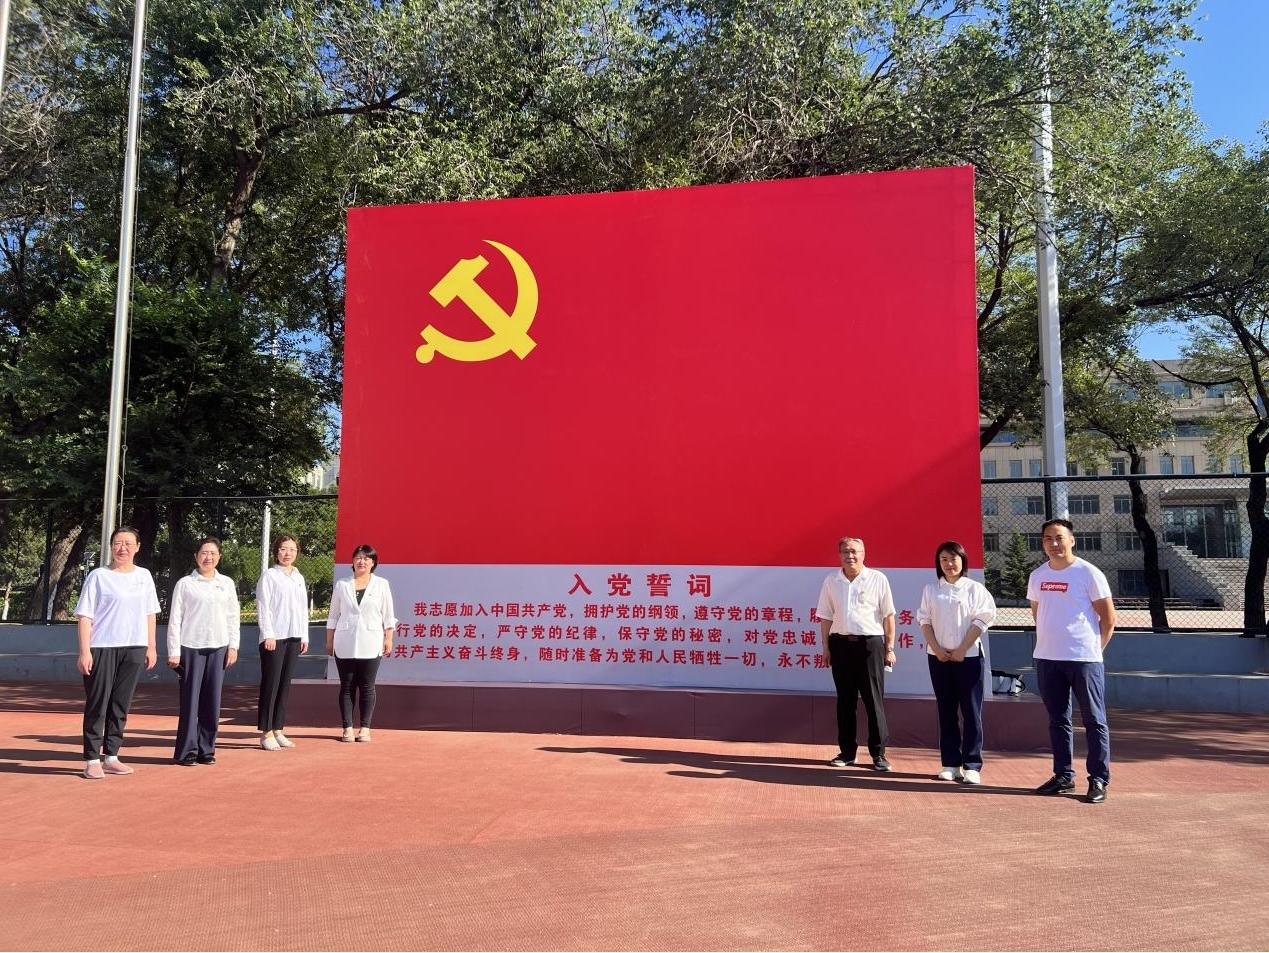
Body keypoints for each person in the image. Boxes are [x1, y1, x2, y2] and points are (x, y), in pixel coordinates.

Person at [1027, 518, 1117, 804]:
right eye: (1048, 538)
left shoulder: (1088, 573)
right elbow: (1038, 613)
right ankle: (1063, 775)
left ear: (1072, 540)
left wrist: (1094, 650)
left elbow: (1109, 618)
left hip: (1084, 659)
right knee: (1057, 720)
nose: (1054, 543)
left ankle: (1098, 779)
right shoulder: (1038, 575)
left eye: (1059, 538)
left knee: (1094, 720)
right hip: (1048, 658)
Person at [74, 526, 159, 780]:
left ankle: (111, 756)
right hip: (102, 647)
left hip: (134, 647)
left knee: (121, 704)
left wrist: (151, 646)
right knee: (98, 703)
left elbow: (150, 613)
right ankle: (91, 759)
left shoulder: (144, 576)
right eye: (118, 543)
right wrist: (84, 651)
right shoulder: (98, 576)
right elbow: (84, 616)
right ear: (111, 547)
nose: (123, 548)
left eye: (128, 543)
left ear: (138, 547)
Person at [917, 540, 998, 785]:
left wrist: (962, 649)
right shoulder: (931, 590)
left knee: (971, 712)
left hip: (969, 657)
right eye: (944, 559)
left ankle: (972, 765)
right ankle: (950, 764)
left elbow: (983, 619)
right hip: (938, 658)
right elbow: (924, 621)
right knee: (946, 710)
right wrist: (937, 649)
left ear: (962, 561)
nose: (949, 564)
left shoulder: (974, 589)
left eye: (953, 559)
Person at [817, 536, 896, 771]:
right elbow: (826, 617)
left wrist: (889, 648)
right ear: (839, 555)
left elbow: (888, 616)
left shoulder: (877, 579)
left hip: (870, 646)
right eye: (845, 551)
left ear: (863, 554)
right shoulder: (832, 580)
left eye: (854, 551)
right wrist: (826, 648)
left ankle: (878, 754)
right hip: (840, 645)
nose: (850, 556)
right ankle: (847, 752)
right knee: (845, 701)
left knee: (873, 701)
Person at [167, 537, 241, 766]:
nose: (208, 557)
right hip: (191, 647)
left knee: (212, 701)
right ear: (196, 556)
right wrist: (174, 650)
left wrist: (233, 646)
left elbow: (233, 616)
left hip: (218, 646)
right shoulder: (185, 584)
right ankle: (187, 751)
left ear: (219, 557)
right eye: (204, 553)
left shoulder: (226, 583)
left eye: (213, 553)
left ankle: (206, 749)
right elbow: (175, 618)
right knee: (190, 701)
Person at [325, 544, 397, 742]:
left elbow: (388, 615)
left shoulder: (381, 584)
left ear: (373, 563)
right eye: (358, 557)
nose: (361, 561)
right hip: (344, 641)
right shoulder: (342, 584)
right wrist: (330, 640)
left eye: (366, 558)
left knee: (367, 686)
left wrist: (388, 638)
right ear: (352, 561)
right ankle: (347, 728)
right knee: (347, 686)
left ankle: (365, 728)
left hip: (371, 641)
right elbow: (333, 615)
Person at [255, 534, 309, 750]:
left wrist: (304, 635)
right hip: (274, 637)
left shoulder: (298, 577)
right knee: (271, 684)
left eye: (292, 550)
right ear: (276, 552)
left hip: (294, 635)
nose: (288, 553)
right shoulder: (269, 576)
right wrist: (268, 633)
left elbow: (303, 609)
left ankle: (278, 729)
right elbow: (263, 606)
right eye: (283, 549)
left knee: (284, 684)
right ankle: (265, 732)